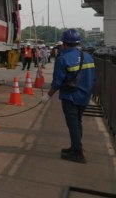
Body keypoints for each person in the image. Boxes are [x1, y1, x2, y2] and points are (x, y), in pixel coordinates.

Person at [41, 29, 96, 164]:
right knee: (77, 122)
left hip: (70, 97)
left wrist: (48, 96)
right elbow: (93, 77)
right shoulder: (87, 57)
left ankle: (77, 153)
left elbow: (57, 82)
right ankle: (75, 147)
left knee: (73, 125)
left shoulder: (63, 58)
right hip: (84, 96)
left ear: (64, 43)